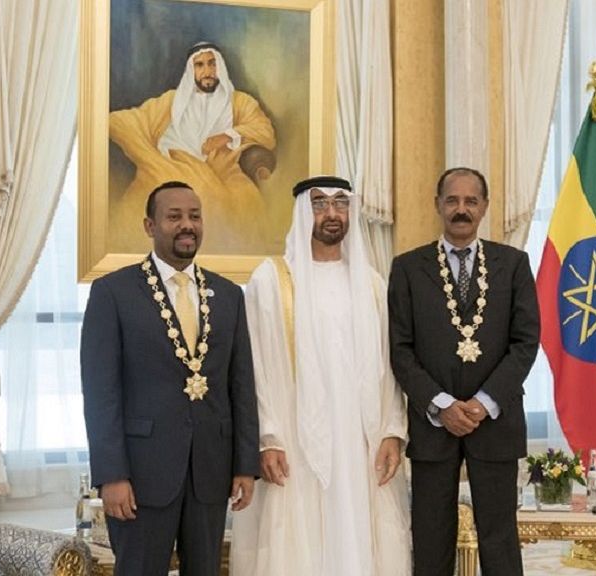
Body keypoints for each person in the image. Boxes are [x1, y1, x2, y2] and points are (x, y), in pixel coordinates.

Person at [230, 176, 411, 576]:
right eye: (319, 204)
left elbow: (390, 367)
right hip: (292, 441)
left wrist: (392, 431)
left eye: (340, 203)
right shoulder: (271, 280)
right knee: (299, 539)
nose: (332, 213)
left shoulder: (370, 283)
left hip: (359, 442)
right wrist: (267, 438)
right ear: (301, 212)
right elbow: (253, 368)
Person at [81, 181, 260, 576]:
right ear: (150, 225)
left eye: (195, 216)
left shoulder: (229, 295)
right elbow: (100, 393)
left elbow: (242, 385)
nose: (187, 225)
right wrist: (111, 475)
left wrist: (245, 465)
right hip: (140, 475)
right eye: (174, 216)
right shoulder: (113, 292)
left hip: (210, 472)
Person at [388, 167, 540, 576]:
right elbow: (400, 350)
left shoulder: (513, 264)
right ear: (438, 204)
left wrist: (484, 403)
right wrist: (441, 405)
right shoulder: (407, 268)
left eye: (471, 201)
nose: (461, 209)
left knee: (500, 541)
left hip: (496, 421)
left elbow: (526, 343)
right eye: (453, 200)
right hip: (433, 425)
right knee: (431, 539)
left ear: (485, 207)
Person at [110, 43, 277, 252]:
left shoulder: (240, 102)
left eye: (212, 64)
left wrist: (227, 135)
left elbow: (265, 131)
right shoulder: (172, 100)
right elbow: (138, 118)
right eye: (200, 65)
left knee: (246, 200)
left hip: (221, 169)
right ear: (191, 70)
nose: (207, 71)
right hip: (170, 165)